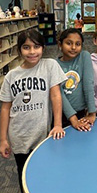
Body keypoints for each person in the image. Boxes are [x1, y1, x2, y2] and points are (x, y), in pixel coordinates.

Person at [0, 29, 66, 193]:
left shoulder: (50, 65)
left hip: (42, 134)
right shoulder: (11, 76)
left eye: (36, 46)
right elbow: (5, 107)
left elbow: (56, 96)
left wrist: (57, 124)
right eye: (26, 47)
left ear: (43, 48)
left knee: (47, 174)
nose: (32, 52)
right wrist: (3, 139)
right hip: (19, 135)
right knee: (24, 176)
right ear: (19, 50)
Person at [57, 28, 96, 131]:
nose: (73, 47)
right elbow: (59, 94)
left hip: (81, 112)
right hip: (61, 114)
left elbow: (88, 84)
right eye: (69, 43)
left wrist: (92, 112)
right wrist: (73, 119)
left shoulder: (84, 56)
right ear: (60, 44)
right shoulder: (54, 64)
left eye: (78, 44)